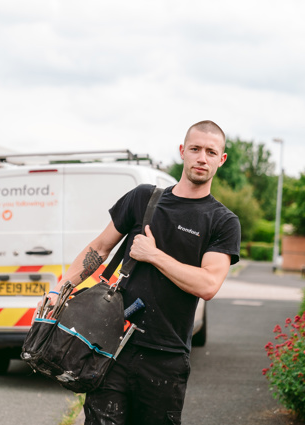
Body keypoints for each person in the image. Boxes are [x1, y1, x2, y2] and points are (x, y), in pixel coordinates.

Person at [47, 120, 241, 425]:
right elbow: (98, 248)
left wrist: (153, 255)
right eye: (195, 149)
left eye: (210, 151)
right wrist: (60, 290)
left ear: (222, 159)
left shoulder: (222, 221)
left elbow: (208, 284)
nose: (202, 157)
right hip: (111, 347)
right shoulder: (143, 199)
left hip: (166, 357)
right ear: (182, 152)